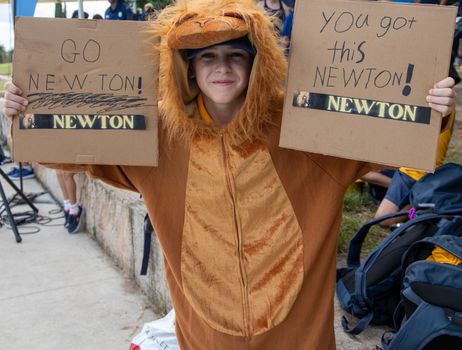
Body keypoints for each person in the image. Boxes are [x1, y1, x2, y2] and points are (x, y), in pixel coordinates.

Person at [3, 0, 455, 348]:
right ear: (189, 69)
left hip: (296, 340)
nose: (222, 67)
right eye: (207, 57)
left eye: (236, 55)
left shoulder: (302, 130)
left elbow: (387, 138)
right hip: (207, 337)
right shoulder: (157, 136)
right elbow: (76, 147)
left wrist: (430, 108)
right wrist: (26, 111)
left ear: (256, 63)